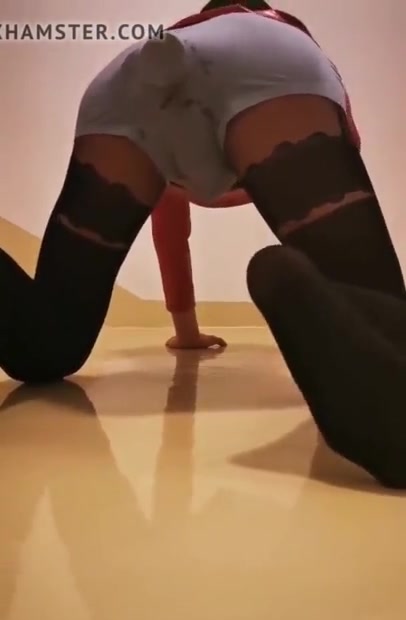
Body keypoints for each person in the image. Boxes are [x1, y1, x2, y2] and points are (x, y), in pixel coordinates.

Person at [0, 1, 404, 487]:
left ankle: (311, 310)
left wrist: (185, 327)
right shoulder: (278, 34)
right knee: (379, 319)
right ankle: (372, 394)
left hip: (124, 84)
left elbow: (168, 221)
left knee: (47, 347)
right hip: (266, 62)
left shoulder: (172, 51)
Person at [151, 0, 362, 349]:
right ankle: (345, 327)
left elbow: (168, 234)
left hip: (189, 166)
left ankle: (344, 327)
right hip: (280, 151)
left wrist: (185, 330)